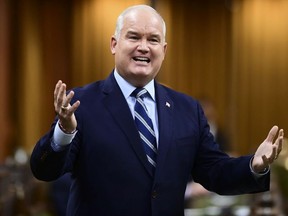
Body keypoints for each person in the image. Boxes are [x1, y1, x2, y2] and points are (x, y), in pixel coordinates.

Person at [30, 5, 284, 216]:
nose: (143, 46)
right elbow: (45, 170)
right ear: (114, 44)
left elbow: (214, 171)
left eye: (153, 40)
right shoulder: (82, 103)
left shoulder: (188, 109)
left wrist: (255, 164)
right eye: (134, 37)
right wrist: (64, 131)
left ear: (163, 51)